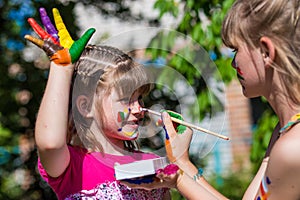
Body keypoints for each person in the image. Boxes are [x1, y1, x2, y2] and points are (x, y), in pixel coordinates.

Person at [123, 0, 300, 199]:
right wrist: (182, 163)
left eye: (235, 50)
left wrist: (178, 179)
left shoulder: (292, 148)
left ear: (266, 51)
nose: (233, 63)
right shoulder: (284, 131)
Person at [25, 8, 175, 200]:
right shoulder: (73, 166)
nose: (139, 109)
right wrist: (61, 68)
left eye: (139, 98)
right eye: (125, 100)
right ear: (85, 107)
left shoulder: (153, 165)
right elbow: (50, 143)